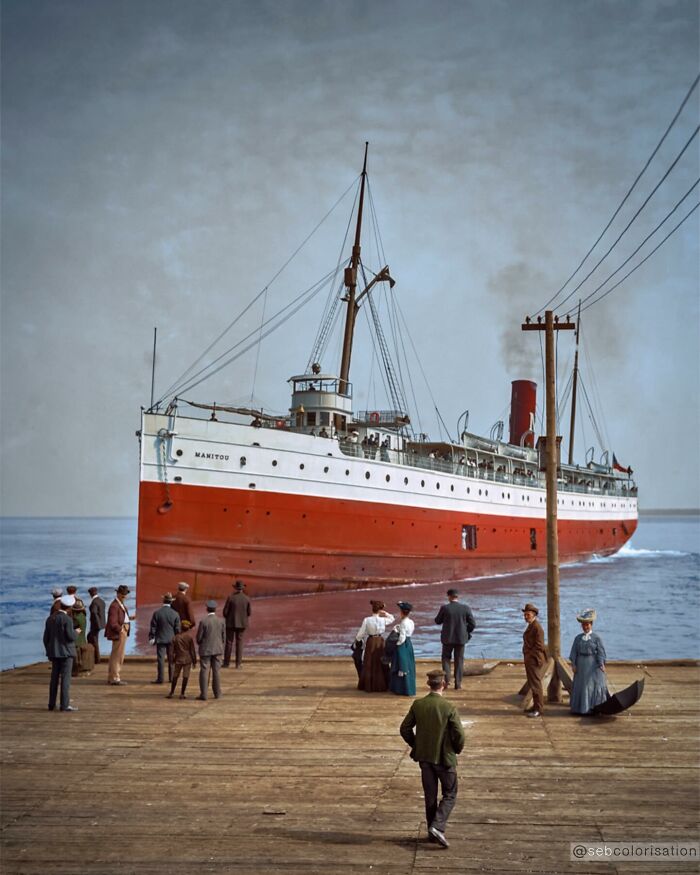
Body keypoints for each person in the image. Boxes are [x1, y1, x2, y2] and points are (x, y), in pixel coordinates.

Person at [399, 669, 465, 848]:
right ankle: (437, 826)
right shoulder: (449, 707)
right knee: (450, 793)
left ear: (429, 685)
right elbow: (459, 734)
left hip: (425, 758)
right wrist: (456, 749)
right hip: (444, 758)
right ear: (443, 685)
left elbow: (404, 729)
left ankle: (432, 832)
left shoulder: (418, 704)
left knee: (430, 796)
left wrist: (417, 745)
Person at [569, 609, 609, 715]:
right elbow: (573, 652)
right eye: (583, 625)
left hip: (592, 666)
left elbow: (601, 652)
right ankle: (579, 709)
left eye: (587, 625)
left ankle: (592, 708)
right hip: (580, 666)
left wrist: (601, 664)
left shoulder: (597, 638)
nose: (585, 627)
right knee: (581, 686)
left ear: (591, 624)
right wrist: (573, 664)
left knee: (591, 685)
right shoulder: (578, 638)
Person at [434, 589, 476, 689]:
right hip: (461, 639)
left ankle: (447, 681)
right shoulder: (465, 608)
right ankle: (458, 684)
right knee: (459, 660)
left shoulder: (445, 608)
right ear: (457, 596)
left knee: (446, 659)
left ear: (449, 597)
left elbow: (437, 621)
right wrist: (466, 632)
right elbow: (473, 624)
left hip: (447, 639)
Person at [43, 595, 79, 712]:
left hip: (54, 653)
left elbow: (45, 638)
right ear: (69, 607)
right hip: (66, 653)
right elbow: (70, 636)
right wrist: (76, 632)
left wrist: (49, 650)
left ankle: (51, 704)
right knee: (65, 679)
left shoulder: (50, 619)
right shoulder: (67, 619)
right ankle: (64, 705)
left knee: (54, 679)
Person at [355, 600, 395, 692]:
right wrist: (385, 613)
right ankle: (383, 684)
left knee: (369, 662)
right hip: (380, 641)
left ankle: (369, 685)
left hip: (371, 641)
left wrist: (357, 640)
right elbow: (392, 618)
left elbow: (361, 633)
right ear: (380, 610)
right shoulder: (383, 620)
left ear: (372, 609)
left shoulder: (367, 620)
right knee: (381, 662)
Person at [522, 602, 547, 718]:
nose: (526, 617)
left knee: (536, 684)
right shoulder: (532, 626)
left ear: (534, 615)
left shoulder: (537, 628)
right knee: (533, 684)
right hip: (530, 659)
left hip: (534, 660)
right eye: (525, 615)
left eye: (528, 615)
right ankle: (536, 706)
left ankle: (539, 708)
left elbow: (539, 646)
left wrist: (529, 655)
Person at [149, 593, 181, 684]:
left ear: (163, 601)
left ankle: (160, 678)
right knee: (171, 659)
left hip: (160, 639)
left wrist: (152, 637)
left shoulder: (157, 613)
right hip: (171, 640)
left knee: (160, 659)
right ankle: (171, 678)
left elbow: (153, 627)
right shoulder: (175, 614)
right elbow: (177, 629)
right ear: (171, 602)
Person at [196, 600, 225, 701]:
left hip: (205, 649)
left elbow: (198, 638)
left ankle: (204, 694)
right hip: (218, 649)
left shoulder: (203, 621)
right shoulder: (221, 621)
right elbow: (223, 637)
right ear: (215, 609)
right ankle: (218, 693)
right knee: (216, 671)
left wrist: (201, 643)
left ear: (207, 609)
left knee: (204, 670)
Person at [105, 585, 132, 686]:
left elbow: (120, 618)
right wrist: (120, 629)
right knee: (118, 656)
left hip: (123, 630)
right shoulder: (114, 606)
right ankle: (115, 678)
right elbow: (112, 622)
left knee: (116, 654)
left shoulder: (120, 604)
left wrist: (129, 619)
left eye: (126, 594)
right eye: (123, 594)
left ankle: (112, 676)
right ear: (118, 594)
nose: (125, 596)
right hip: (120, 632)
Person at [222, 580, 251, 668]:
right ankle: (238, 664)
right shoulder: (247, 598)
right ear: (242, 588)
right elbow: (249, 613)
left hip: (230, 623)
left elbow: (225, 612)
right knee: (239, 643)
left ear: (235, 588)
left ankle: (226, 663)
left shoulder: (230, 598)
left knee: (229, 643)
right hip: (242, 624)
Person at [390, 601, 416, 696]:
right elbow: (409, 633)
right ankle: (409, 688)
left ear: (401, 612)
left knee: (401, 665)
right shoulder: (411, 622)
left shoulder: (403, 623)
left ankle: (401, 689)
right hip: (409, 644)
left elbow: (402, 638)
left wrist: (396, 644)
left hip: (403, 645)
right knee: (408, 665)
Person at [167, 620, 197, 699]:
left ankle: (172, 692)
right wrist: (194, 661)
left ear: (181, 627)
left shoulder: (175, 637)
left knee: (175, 675)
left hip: (178, 658)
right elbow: (192, 650)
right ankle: (182, 693)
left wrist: (172, 659)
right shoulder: (189, 638)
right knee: (185, 676)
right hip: (187, 659)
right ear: (188, 629)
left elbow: (171, 651)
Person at [66, 585, 91, 677]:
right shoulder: (80, 603)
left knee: (76, 655)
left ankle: (75, 670)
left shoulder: (66, 602)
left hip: (76, 638)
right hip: (82, 636)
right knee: (80, 654)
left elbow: (74, 627)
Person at [87, 586, 106, 664]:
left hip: (95, 624)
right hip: (101, 623)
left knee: (94, 640)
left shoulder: (94, 602)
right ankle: (95, 657)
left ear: (90, 594)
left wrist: (97, 624)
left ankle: (96, 659)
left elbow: (94, 612)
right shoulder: (101, 601)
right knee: (92, 638)